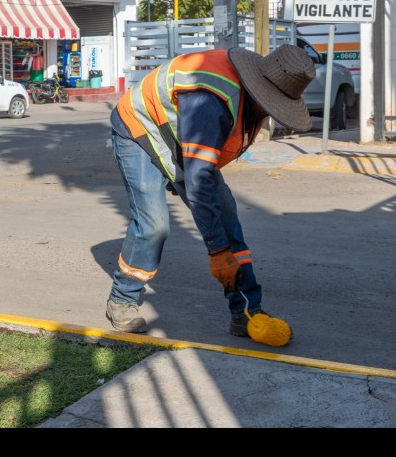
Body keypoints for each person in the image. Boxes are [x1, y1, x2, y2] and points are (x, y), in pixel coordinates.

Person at [105, 45, 315, 342]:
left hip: (179, 134)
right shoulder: (211, 100)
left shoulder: (249, 101)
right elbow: (199, 180)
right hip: (139, 127)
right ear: (258, 91)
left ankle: (246, 311)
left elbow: (203, 169)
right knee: (154, 226)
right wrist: (217, 251)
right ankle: (122, 298)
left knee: (227, 222)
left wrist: (221, 242)